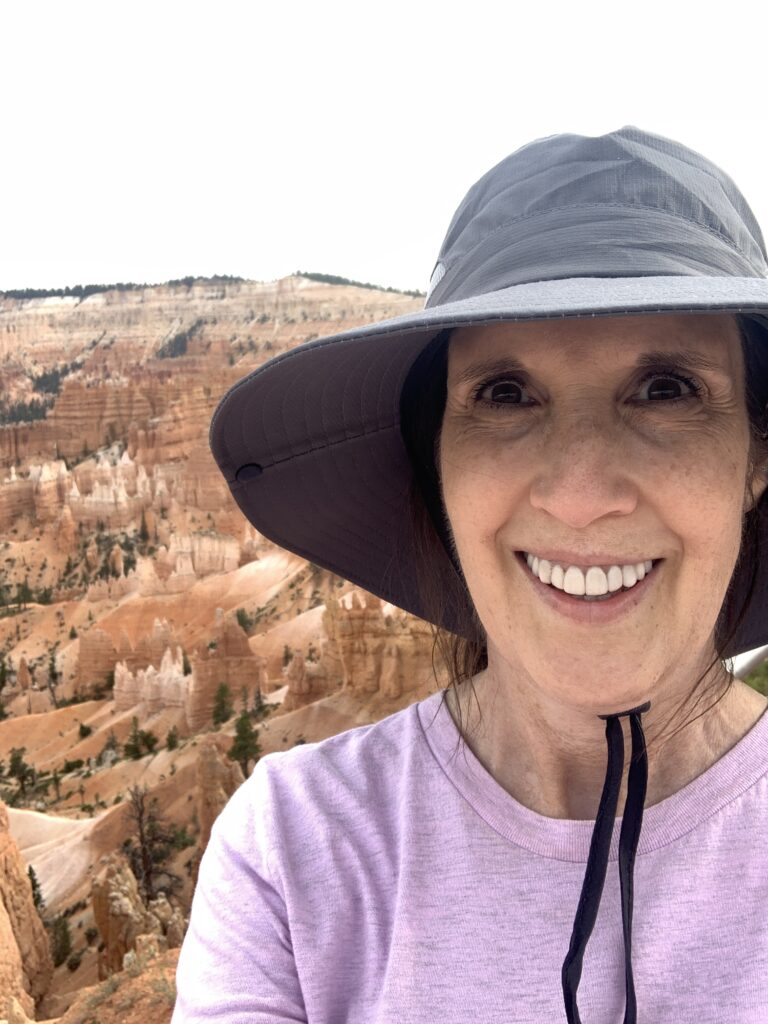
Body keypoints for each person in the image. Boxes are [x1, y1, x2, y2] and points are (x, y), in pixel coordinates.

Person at [172, 127, 768, 1022]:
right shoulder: (294, 851)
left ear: (758, 454)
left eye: (667, 388)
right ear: (438, 464)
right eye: (505, 394)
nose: (577, 495)